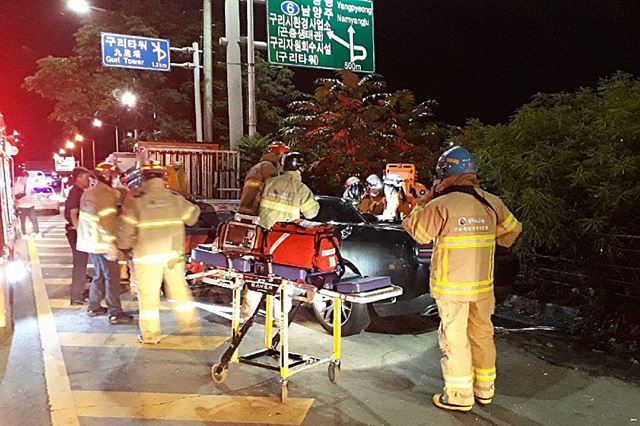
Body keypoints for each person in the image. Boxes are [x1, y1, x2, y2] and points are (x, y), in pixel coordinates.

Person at [402, 146, 522, 412]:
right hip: (482, 287)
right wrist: (486, 233)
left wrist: (421, 201)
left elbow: (417, 231)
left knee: (454, 338)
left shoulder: (440, 204)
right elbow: (512, 231)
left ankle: (459, 396)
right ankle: (484, 391)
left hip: (451, 287)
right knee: (482, 334)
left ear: (445, 173)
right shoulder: (491, 201)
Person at [116, 161, 201, 344]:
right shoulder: (174, 198)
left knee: (148, 297)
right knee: (178, 289)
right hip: (173, 255)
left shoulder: (136, 200)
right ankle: (189, 323)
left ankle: (150, 335)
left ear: (143, 177)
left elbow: (125, 230)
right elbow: (193, 216)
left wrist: (123, 247)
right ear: (163, 177)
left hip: (147, 257)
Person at [241, 152, 320, 320]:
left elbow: (255, 202)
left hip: (263, 239)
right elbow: (312, 213)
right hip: (285, 243)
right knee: (284, 280)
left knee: (258, 276)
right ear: (300, 168)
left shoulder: (270, 182)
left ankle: (246, 315)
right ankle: (279, 318)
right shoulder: (301, 189)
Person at [76, 162, 133, 324]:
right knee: (112, 277)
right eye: (114, 176)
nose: (116, 179)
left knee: (100, 275)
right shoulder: (105, 195)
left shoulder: (90, 193)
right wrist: (111, 245)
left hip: (90, 242)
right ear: (108, 176)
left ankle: (94, 307)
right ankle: (115, 312)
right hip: (102, 243)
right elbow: (104, 223)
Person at [237, 141, 291, 216]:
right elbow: (275, 190)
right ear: (278, 155)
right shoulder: (267, 167)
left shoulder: (259, 166)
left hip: (246, 208)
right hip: (254, 210)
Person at [64, 167, 92, 305]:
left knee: (81, 263)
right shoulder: (76, 192)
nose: (89, 180)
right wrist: (80, 232)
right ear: (79, 177)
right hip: (76, 232)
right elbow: (73, 213)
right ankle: (77, 296)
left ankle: (78, 292)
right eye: (87, 177)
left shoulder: (77, 191)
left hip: (74, 231)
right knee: (80, 264)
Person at [14, 171, 41, 239]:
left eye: (26, 178)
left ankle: (37, 233)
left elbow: (32, 192)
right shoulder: (17, 185)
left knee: (34, 220)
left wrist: (34, 193)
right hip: (21, 206)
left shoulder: (29, 184)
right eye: (25, 178)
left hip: (30, 205)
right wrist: (16, 204)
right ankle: (24, 234)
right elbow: (15, 196)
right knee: (22, 221)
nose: (25, 179)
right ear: (21, 177)